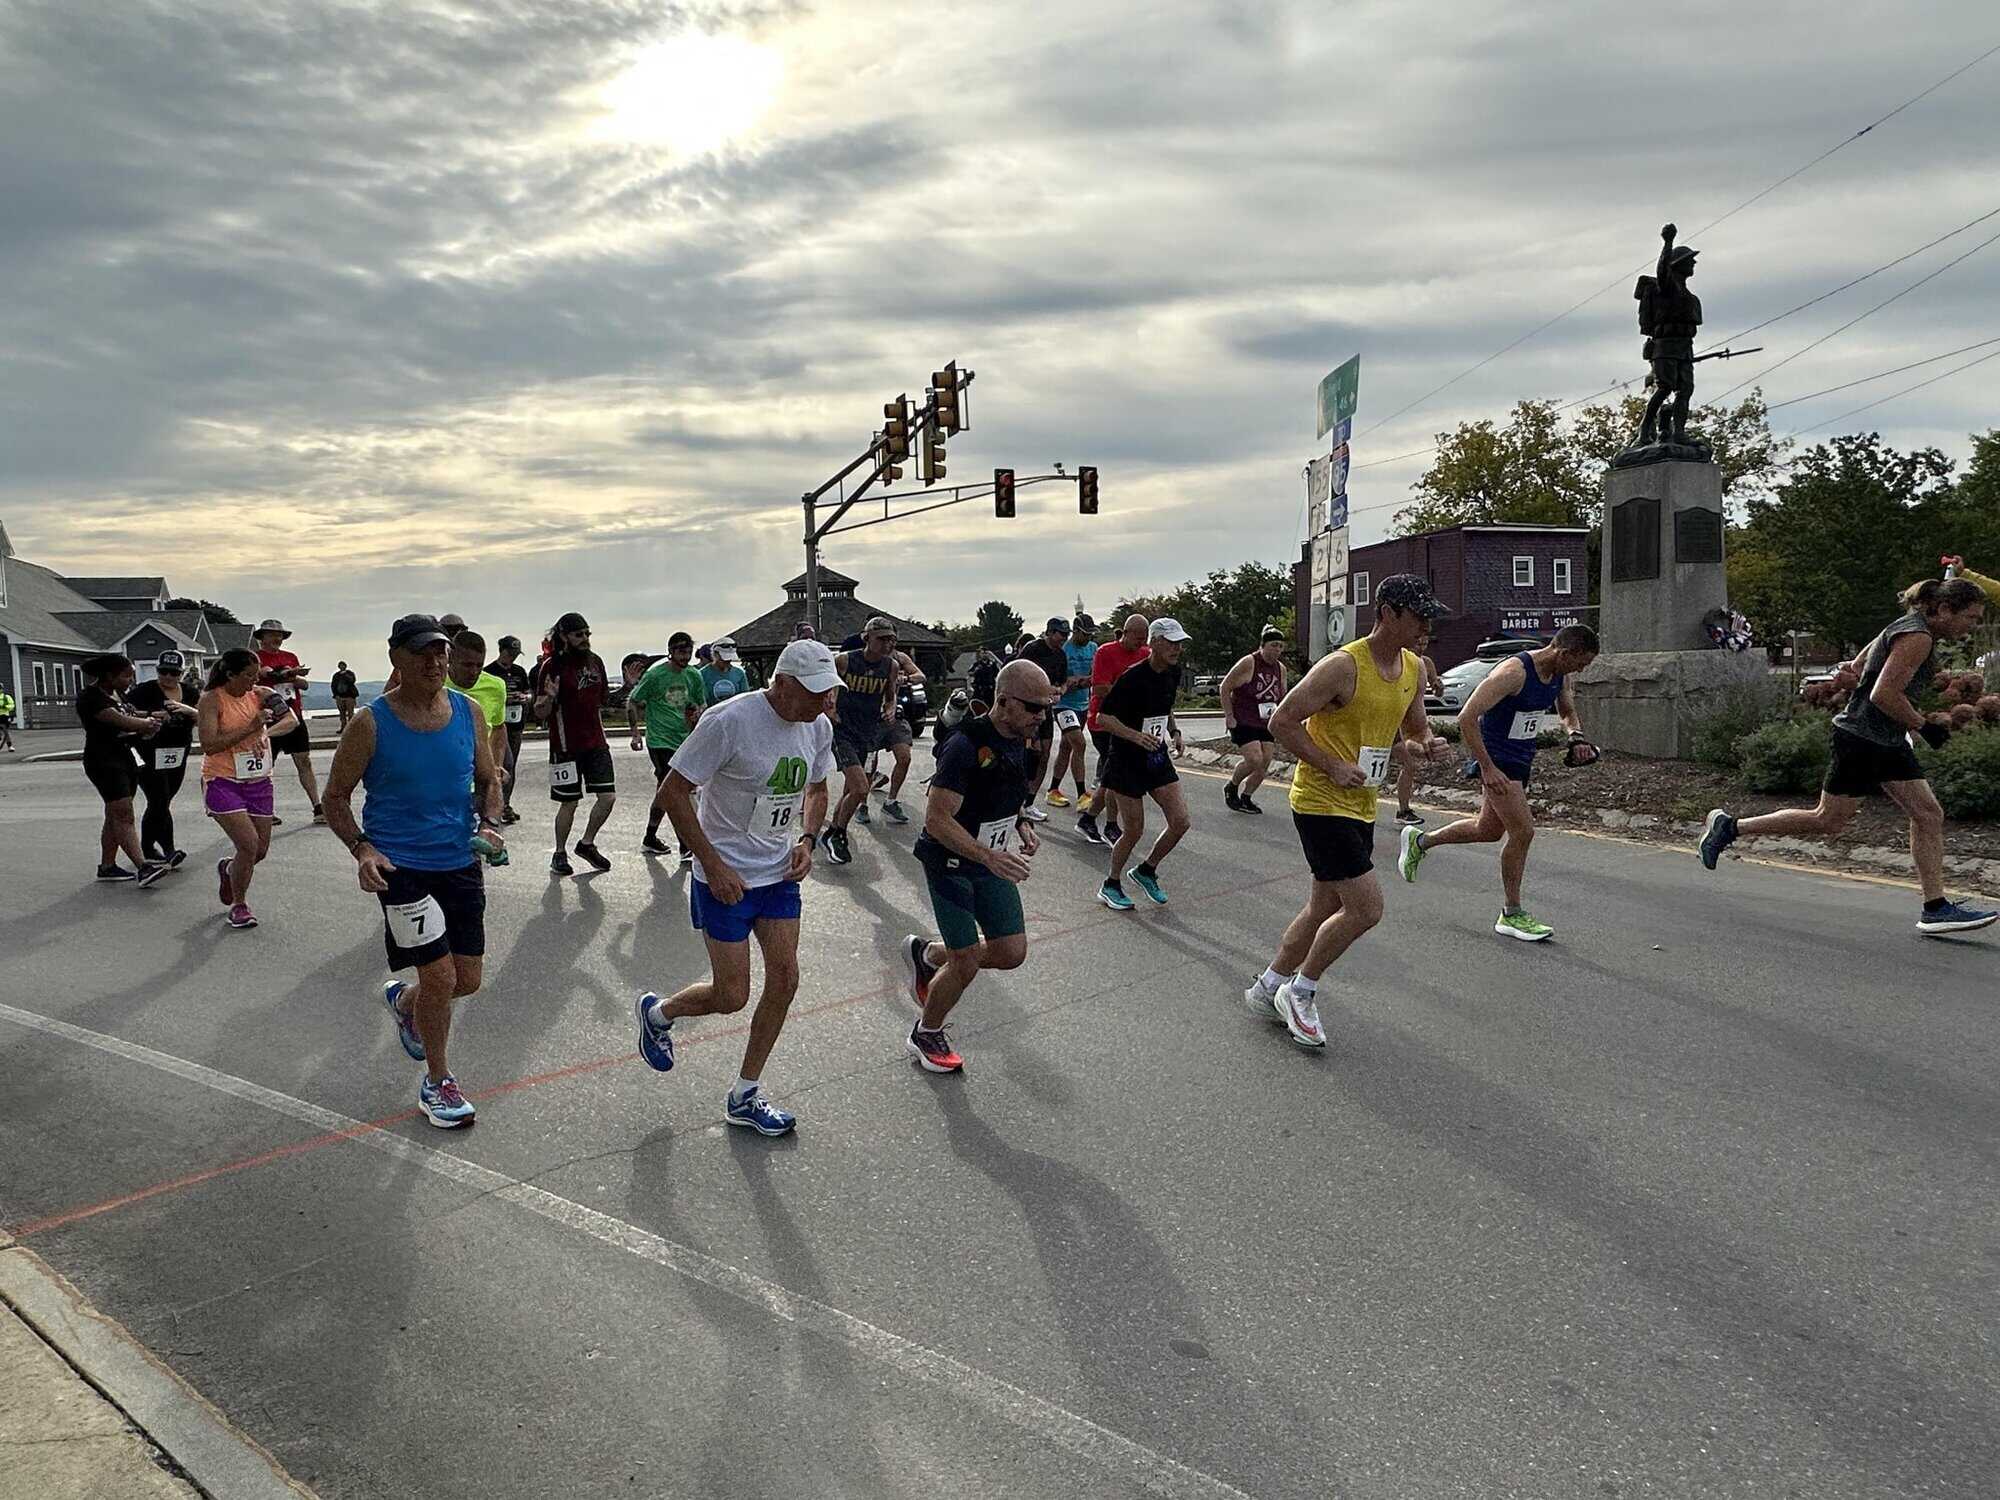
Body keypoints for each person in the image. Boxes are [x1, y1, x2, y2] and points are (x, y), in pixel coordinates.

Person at [1698, 578, 1995, 935]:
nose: (1972, 626)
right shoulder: (1918, 637)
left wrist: (1866, 682)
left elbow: (1855, 667)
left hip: (1883, 738)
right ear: (1945, 609)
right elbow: (1883, 694)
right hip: (1863, 739)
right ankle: (1729, 827)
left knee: (1928, 814)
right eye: (1970, 617)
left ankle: (1935, 908)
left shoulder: (1906, 626)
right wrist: (1924, 725)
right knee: (1828, 820)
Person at [633, 638, 838, 1137]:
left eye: (828, 691)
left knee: (785, 979)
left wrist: (808, 839)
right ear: (782, 683)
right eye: (814, 691)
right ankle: (660, 1013)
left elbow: (817, 788)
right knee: (731, 996)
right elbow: (672, 794)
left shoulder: (818, 725)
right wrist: (713, 864)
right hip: (725, 878)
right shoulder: (728, 721)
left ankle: (745, 1094)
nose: (823, 701)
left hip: (778, 874)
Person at [1247, 575, 1452, 1048]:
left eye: (1429, 617)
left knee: (1324, 906)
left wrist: (1425, 745)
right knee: (1366, 909)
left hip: (1362, 802)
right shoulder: (1342, 666)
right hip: (1320, 802)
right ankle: (1301, 991)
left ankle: (1269, 985)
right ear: (1387, 613)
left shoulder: (1413, 668)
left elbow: (1413, 730)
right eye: (1418, 616)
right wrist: (1332, 765)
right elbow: (1282, 721)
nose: (1426, 626)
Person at [323, 615, 505, 1129]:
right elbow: (334, 798)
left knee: (466, 980)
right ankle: (438, 1083)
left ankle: (406, 1003)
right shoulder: (370, 723)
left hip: (460, 860)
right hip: (400, 866)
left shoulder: (469, 712)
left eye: (440, 652)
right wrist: (362, 849)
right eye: (422, 652)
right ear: (395, 659)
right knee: (440, 976)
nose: (434, 662)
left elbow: (489, 780)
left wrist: (491, 824)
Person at [901, 658, 1058, 1072]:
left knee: (1011, 951)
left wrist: (1021, 824)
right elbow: (936, 819)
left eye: (1046, 708)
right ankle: (926, 1033)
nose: (1041, 717)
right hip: (949, 860)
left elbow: (1003, 792)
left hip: (990, 859)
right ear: (1003, 702)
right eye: (1034, 708)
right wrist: (989, 856)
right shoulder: (965, 745)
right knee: (967, 958)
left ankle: (929, 955)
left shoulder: (1020, 739)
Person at [1396, 625, 1601, 941]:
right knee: (1523, 831)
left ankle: (1420, 842)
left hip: (1521, 758)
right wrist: (1487, 768)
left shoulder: (1560, 674)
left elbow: (1567, 710)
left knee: (1488, 830)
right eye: (1580, 663)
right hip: (1497, 759)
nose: (1581, 669)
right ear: (1564, 652)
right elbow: (1467, 717)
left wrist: (1576, 737)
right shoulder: (1514, 672)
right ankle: (1512, 913)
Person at [1095, 618, 1192, 910]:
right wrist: (1135, 736)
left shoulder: (1173, 672)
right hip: (1126, 761)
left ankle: (1146, 870)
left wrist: (1174, 731)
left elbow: (1165, 707)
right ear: (1155, 642)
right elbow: (1103, 718)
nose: (1177, 649)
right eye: (1171, 643)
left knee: (1180, 821)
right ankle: (1111, 884)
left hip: (1156, 755)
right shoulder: (1132, 677)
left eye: (1180, 643)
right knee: (1134, 830)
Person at [199, 648, 297, 929]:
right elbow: (209, 744)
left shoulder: (262, 694)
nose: (254, 681)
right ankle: (239, 905)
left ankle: (230, 869)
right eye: (248, 676)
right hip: (222, 779)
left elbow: (291, 720)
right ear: (230, 675)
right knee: (248, 844)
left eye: (256, 675)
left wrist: (264, 734)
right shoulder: (211, 700)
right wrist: (251, 727)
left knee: (260, 850)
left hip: (258, 780)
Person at [820, 617, 910, 864]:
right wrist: (829, 706)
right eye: (882, 639)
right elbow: (827, 687)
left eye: (892, 639)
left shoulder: (891, 666)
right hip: (842, 732)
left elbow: (890, 695)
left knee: (851, 790)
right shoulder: (845, 660)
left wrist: (890, 708)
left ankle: (832, 833)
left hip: (868, 733)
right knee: (861, 788)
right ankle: (838, 834)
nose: (888, 644)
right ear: (867, 638)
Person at [533, 611, 616, 876]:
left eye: (587, 634)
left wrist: (627, 687)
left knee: (608, 797)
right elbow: (539, 712)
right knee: (569, 803)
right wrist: (548, 698)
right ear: (564, 636)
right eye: (579, 634)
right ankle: (559, 853)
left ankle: (587, 844)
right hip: (565, 747)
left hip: (597, 743)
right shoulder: (551, 667)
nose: (585, 639)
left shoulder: (595, 662)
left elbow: (605, 701)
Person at [77, 654, 170, 886]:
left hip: (127, 757)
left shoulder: (118, 694)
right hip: (104, 761)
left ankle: (107, 867)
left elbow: (132, 713)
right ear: (109, 675)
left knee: (114, 815)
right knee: (124, 814)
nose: (131, 680)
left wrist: (152, 715)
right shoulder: (91, 698)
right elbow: (122, 720)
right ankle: (143, 867)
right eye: (127, 676)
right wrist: (148, 724)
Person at [629, 631, 707, 857]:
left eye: (688, 652)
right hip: (660, 740)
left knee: (664, 791)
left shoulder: (693, 675)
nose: (685, 657)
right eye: (681, 652)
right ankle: (685, 844)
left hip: (683, 739)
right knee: (675, 791)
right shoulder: (656, 675)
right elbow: (633, 701)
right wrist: (635, 733)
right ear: (670, 652)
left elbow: (700, 704)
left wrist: (697, 714)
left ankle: (650, 836)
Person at [1079, 613, 1150, 846]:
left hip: (1128, 723)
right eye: (1137, 638)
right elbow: (1099, 688)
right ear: (1125, 633)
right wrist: (1130, 693)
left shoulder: (1146, 654)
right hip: (1103, 721)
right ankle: (1108, 824)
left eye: (1144, 638)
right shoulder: (1105, 652)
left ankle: (1090, 820)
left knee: (1112, 776)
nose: (1140, 643)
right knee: (1116, 775)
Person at [128, 650, 201, 868]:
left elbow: (203, 717)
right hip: (147, 752)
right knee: (158, 798)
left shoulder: (190, 692)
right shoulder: (144, 691)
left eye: (174, 673)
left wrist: (187, 712)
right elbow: (125, 712)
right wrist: (151, 715)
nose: (168, 677)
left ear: (182, 673)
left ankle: (147, 846)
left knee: (163, 800)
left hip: (177, 752)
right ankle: (169, 850)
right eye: (163, 672)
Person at [253, 619, 324, 824]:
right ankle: (263, 809)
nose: (277, 638)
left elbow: (304, 684)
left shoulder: (290, 657)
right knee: (266, 764)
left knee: (304, 760)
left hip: (293, 715)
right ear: (262, 637)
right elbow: (267, 675)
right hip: (269, 718)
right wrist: (289, 674)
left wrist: (293, 677)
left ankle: (318, 807)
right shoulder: (256, 658)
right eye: (272, 634)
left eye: (280, 635)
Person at [1221, 626, 1291, 814]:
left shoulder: (1281, 669)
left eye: (1280, 646)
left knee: (1265, 761)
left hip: (1265, 720)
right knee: (1254, 759)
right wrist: (1229, 716)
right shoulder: (1249, 663)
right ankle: (1232, 786)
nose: (1277, 650)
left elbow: (1282, 696)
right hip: (1243, 718)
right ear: (1263, 645)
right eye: (1273, 645)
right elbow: (1225, 687)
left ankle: (1247, 796)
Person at [1015, 618, 1073, 824]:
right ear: (1050, 632)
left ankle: (1029, 802)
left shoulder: (1061, 655)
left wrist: (1060, 691)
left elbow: (1064, 682)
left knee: (1044, 754)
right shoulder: (1033, 649)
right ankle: (1016, 801)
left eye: (1066, 635)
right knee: (1030, 753)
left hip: (1046, 708)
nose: (1064, 639)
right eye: (1061, 634)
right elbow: (1016, 673)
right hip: (1027, 708)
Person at [1042, 614, 1098, 809]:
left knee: (1066, 746)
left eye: (1091, 634)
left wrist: (1083, 680)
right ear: (1076, 631)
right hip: (1064, 705)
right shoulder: (1064, 650)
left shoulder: (1093, 648)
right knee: (1079, 743)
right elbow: (1061, 680)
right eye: (1085, 634)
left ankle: (1053, 790)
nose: (1088, 638)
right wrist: (1076, 681)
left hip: (1083, 704)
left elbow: (1095, 674)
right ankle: (1082, 794)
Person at [1392, 630, 1445, 825]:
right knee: (1407, 764)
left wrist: (1438, 686)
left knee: (1410, 764)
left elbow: (1437, 692)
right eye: (1418, 644)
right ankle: (1402, 810)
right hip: (1391, 723)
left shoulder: (1425, 663)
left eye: (1425, 645)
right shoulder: (1398, 661)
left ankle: (1403, 810)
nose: (1421, 649)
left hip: (1411, 726)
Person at [445, 630, 511, 782]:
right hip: (444, 776)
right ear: (450, 658)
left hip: (478, 778)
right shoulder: (436, 685)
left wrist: (496, 765)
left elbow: (499, 727)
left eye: (479, 665)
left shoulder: (496, 686)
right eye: (467, 665)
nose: (474, 672)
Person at [484, 635, 532, 823]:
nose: (513, 657)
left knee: (511, 766)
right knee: (502, 763)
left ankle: (506, 803)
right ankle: (494, 803)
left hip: (516, 723)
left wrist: (523, 697)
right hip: (497, 724)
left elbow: (528, 692)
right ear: (502, 651)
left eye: (516, 654)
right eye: (510, 653)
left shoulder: (519, 671)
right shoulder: (490, 672)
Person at [700, 637, 750, 704]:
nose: (727, 662)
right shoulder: (702, 674)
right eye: (723, 659)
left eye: (729, 659)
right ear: (715, 654)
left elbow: (745, 698)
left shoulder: (739, 673)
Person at [968, 645, 1000, 709]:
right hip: (979, 689)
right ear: (980, 654)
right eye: (983, 653)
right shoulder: (977, 664)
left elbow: (997, 674)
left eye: (986, 653)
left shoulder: (992, 664)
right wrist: (976, 671)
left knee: (992, 705)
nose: (984, 655)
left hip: (990, 689)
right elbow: (970, 673)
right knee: (974, 704)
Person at [330, 661, 360, 730]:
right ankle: (343, 728)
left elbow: (352, 681)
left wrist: (345, 675)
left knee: (350, 713)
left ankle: (351, 728)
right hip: (340, 697)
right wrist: (335, 695)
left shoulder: (350, 673)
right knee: (342, 714)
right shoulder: (336, 675)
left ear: (345, 666)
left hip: (350, 696)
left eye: (343, 665)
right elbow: (333, 685)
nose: (342, 667)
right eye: (340, 665)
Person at [0, 685, 15, 750]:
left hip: (4, 715)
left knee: (6, 731)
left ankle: (10, 746)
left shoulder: (6, 697)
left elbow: (12, 705)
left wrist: (5, 707)